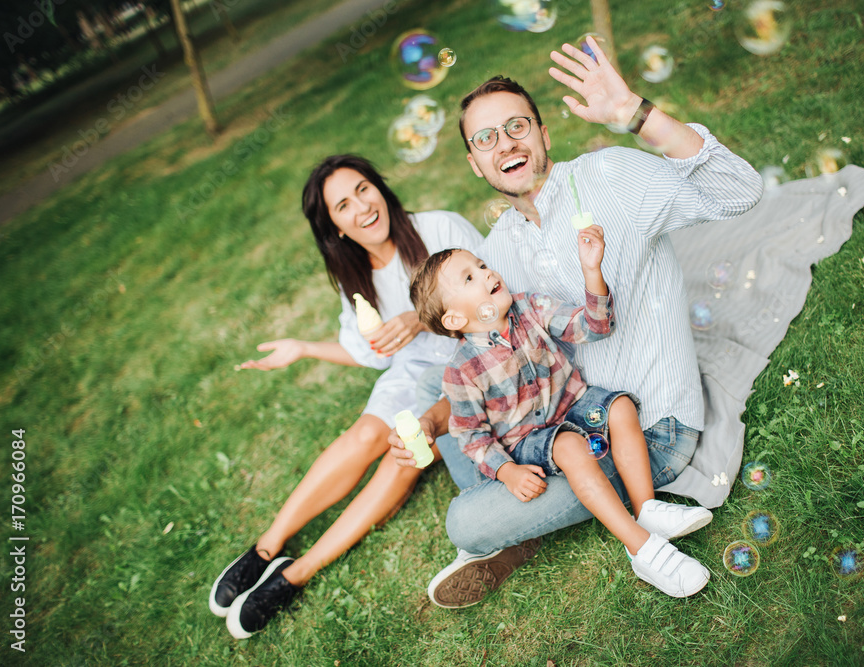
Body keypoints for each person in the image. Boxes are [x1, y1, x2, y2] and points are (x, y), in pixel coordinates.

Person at [390, 36, 763, 608]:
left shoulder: (610, 177)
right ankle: (526, 526)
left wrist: (636, 115)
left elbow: (740, 191)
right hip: (559, 429)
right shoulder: (498, 253)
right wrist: (433, 421)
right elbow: (481, 371)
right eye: (486, 139)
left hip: (644, 430)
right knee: (446, 413)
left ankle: (519, 536)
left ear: (543, 133)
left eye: (517, 126)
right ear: (474, 162)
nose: (505, 144)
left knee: (465, 521)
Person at [209, 155, 483, 638]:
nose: (362, 206)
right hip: (411, 372)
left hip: (471, 367)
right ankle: (265, 548)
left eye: (363, 189)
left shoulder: (439, 228)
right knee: (363, 437)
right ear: (334, 226)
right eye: (343, 204)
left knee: (403, 459)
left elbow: (493, 291)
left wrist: (420, 317)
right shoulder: (356, 275)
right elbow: (372, 351)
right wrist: (302, 349)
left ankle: (295, 573)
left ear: (380, 187)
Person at [410, 238, 712, 598]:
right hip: (527, 442)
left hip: (574, 406)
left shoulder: (530, 306)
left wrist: (591, 271)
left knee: (620, 408)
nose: (486, 272)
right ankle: (643, 550)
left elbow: (593, 326)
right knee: (569, 446)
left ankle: (647, 508)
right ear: (456, 319)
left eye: (481, 264)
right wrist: (508, 471)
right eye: (470, 278)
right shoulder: (461, 371)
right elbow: (472, 436)